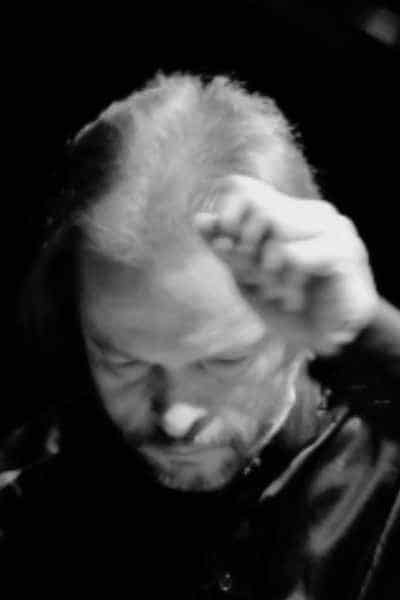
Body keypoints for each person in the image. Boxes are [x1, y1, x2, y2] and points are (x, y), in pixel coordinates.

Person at [1, 73, 399, 598]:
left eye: (223, 362)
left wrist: (368, 330)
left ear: (300, 335)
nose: (176, 416)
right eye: (124, 363)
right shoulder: (28, 490)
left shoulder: (387, 487)